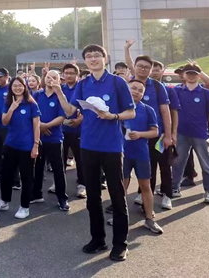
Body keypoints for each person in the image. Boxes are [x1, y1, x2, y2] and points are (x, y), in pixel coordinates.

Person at [56, 44, 135, 262]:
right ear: (85, 61)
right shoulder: (83, 84)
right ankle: (98, 239)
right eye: (89, 56)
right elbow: (71, 111)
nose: (93, 59)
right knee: (92, 197)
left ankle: (120, 244)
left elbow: (131, 112)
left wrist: (114, 116)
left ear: (105, 58)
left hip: (111, 147)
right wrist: (58, 90)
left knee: (117, 197)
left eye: (97, 55)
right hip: (88, 145)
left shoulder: (117, 82)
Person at [171, 63, 209, 205]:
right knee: (178, 162)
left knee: (206, 164)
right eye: (188, 73)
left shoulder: (206, 93)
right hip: (181, 134)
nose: (191, 76)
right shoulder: (176, 91)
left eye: (194, 74)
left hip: (201, 134)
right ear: (183, 75)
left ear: (199, 76)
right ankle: (174, 188)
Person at [120, 79, 163, 234]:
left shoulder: (148, 109)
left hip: (141, 153)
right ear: (127, 89)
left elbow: (155, 132)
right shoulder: (119, 108)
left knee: (145, 185)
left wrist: (139, 134)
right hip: (122, 153)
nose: (136, 92)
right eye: (133, 88)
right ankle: (120, 218)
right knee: (122, 185)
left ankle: (149, 219)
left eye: (140, 90)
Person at [0, 77, 40, 219]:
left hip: (27, 146)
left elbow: (36, 126)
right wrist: (12, 108)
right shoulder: (8, 102)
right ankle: (4, 201)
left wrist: (35, 145)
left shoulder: (31, 104)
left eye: (20, 85)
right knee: (6, 175)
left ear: (25, 87)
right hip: (10, 144)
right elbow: (4, 122)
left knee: (26, 177)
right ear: (11, 88)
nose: (17, 88)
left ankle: (24, 207)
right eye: (14, 86)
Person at [31, 70, 70, 211]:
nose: (50, 79)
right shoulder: (36, 95)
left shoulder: (60, 96)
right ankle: (36, 194)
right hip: (38, 138)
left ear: (59, 80)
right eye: (48, 77)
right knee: (37, 168)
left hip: (55, 138)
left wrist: (46, 126)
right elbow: (31, 113)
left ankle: (62, 198)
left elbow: (62, 116)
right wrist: (40, 126)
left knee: (58, 169)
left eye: (54, 77)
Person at [60, 63, 85, 198]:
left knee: (80, 160)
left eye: (72, 73)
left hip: (78, 130)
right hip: (62, 129)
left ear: (77, 75)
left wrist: (80, 119)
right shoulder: (60, 89)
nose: (69, 75)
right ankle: (59, 183)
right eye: (66, 73)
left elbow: (89, 108)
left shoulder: (82, 89)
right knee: (60, 158)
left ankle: (82, 185)